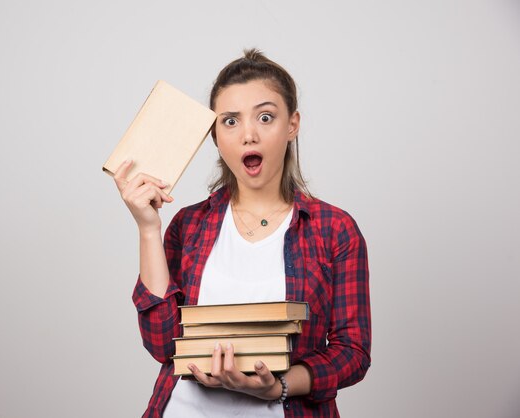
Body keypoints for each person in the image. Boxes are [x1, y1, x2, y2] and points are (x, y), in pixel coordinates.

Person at [113, 49, 371, 418]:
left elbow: (353, 353)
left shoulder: (334, 230)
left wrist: (279, 385)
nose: (248, 135)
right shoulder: (188, 227)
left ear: (292, 124)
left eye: (265, 117)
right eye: (230, 121)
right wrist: (148, 228)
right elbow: (161, 345)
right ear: (215, 136)